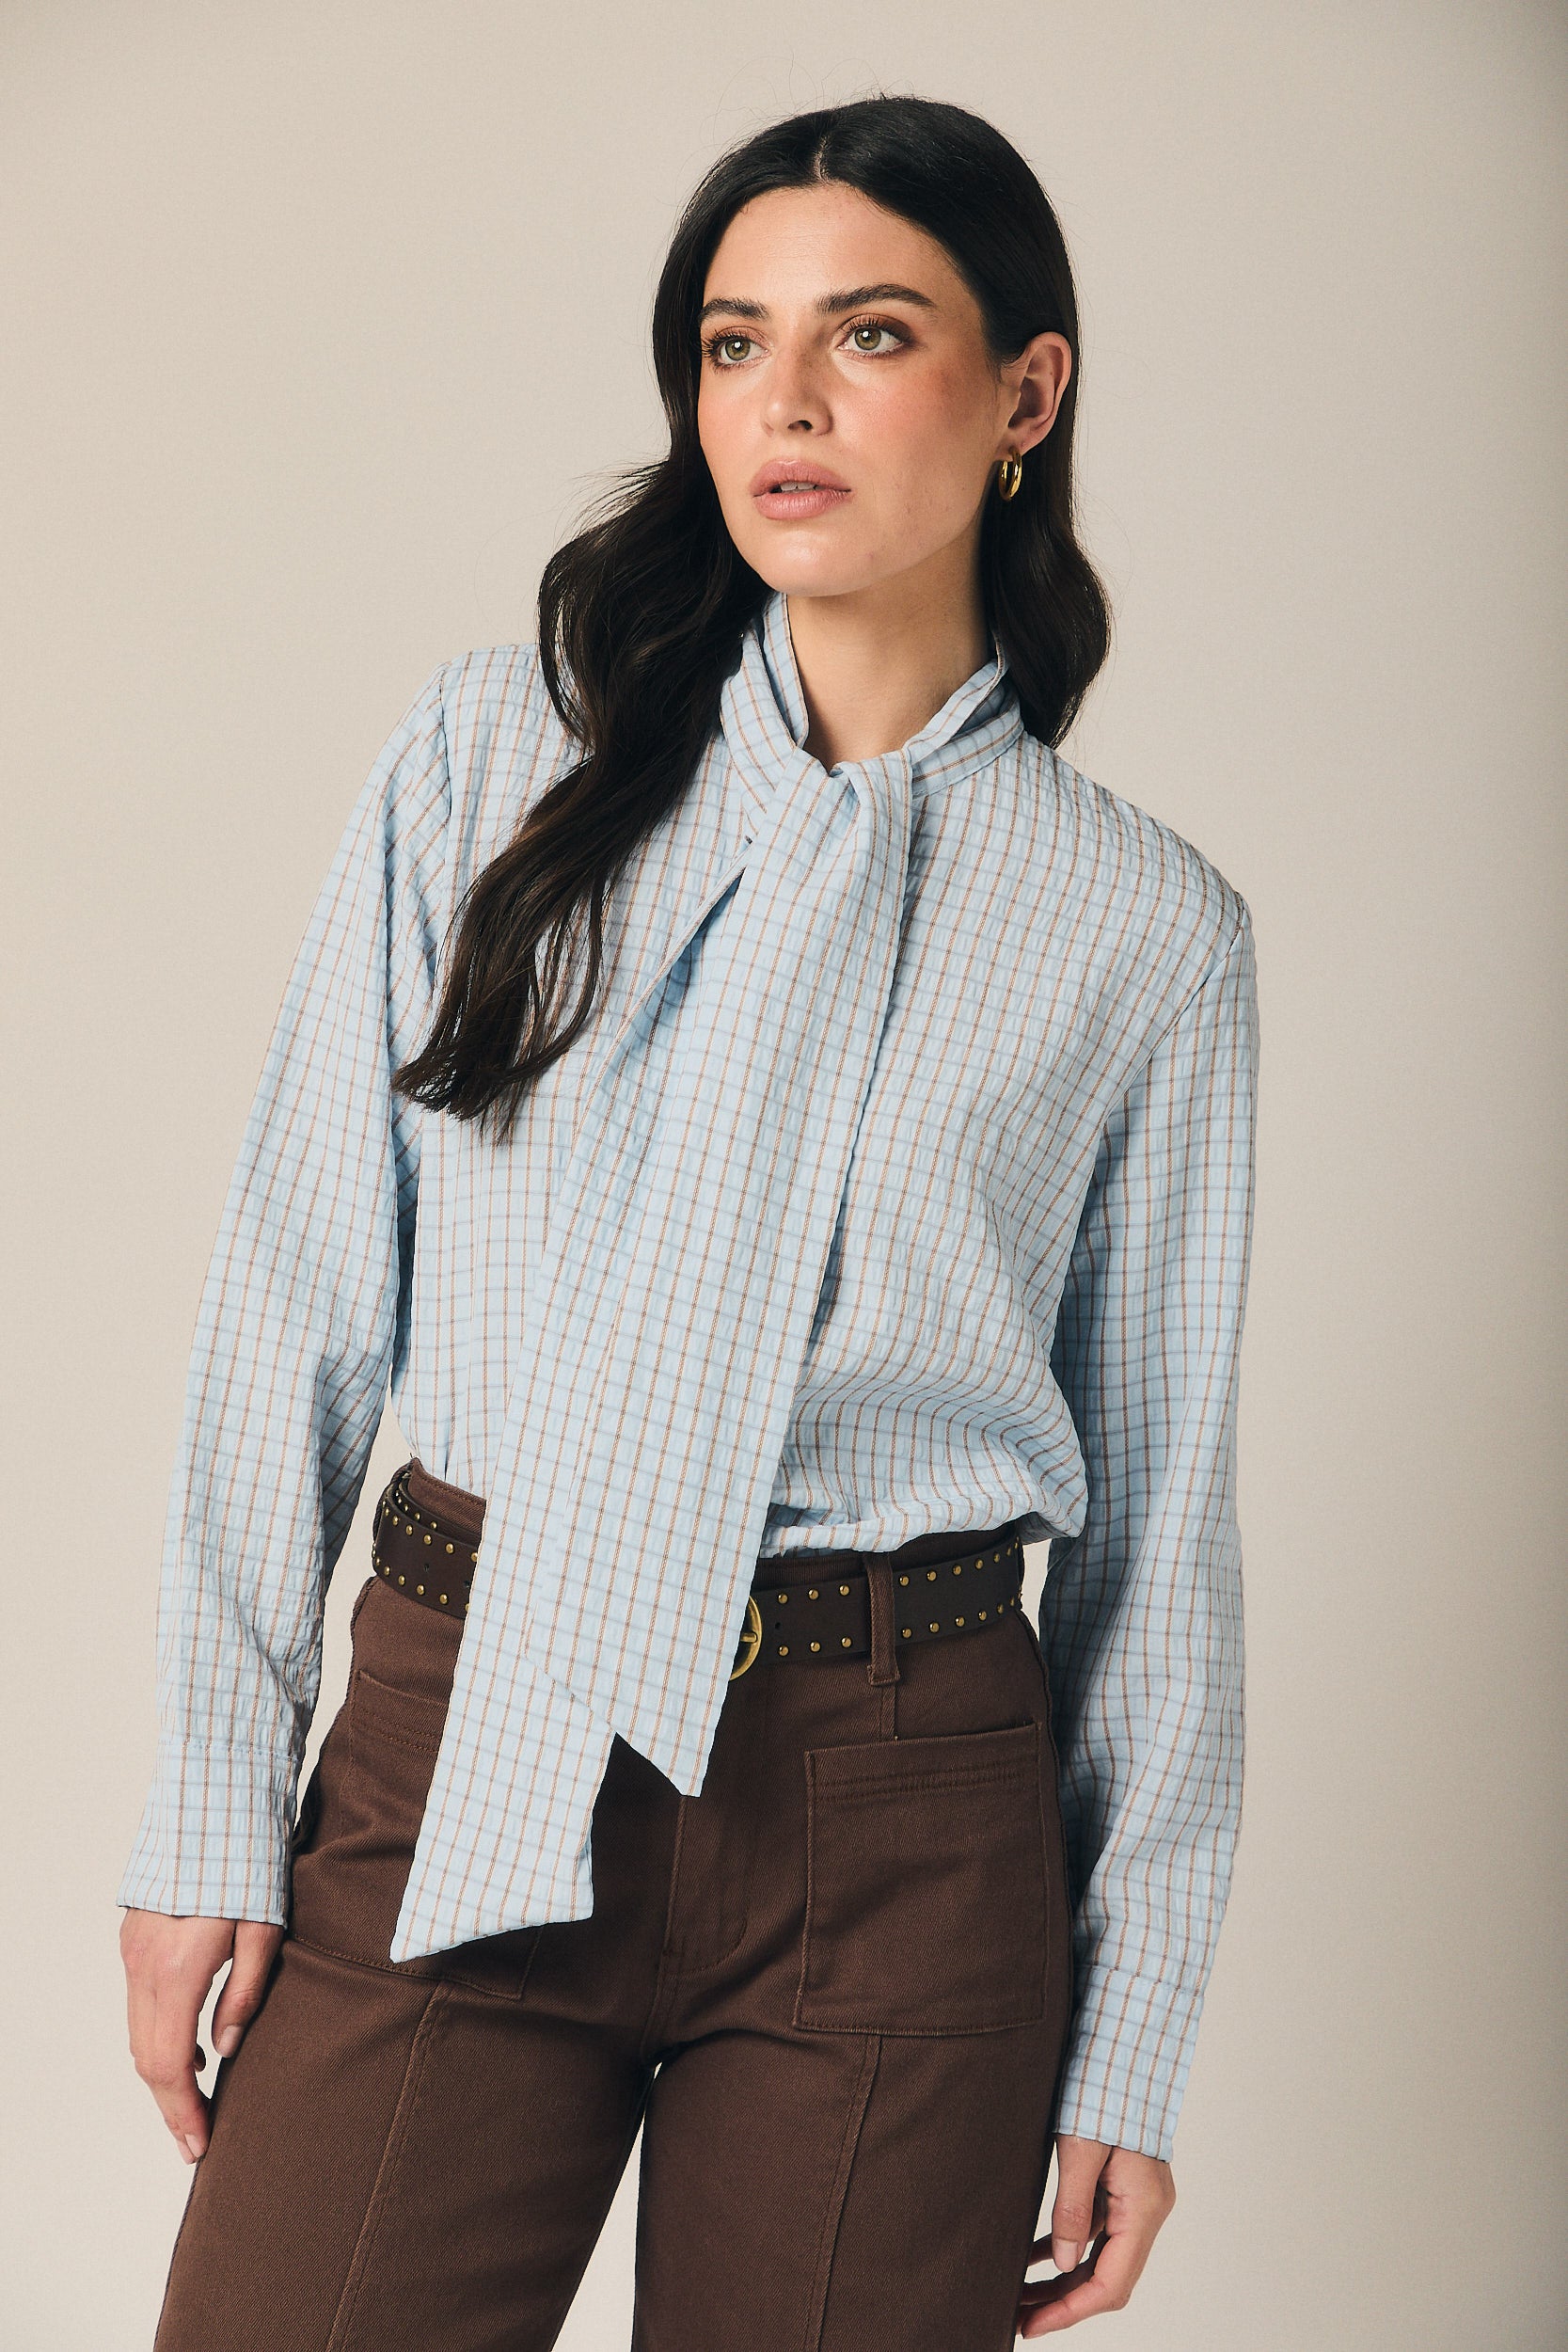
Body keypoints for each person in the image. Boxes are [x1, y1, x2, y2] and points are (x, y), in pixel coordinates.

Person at [118, 94, 1258, 2351]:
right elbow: (292, 1305)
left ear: (1026, 394)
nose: (784, 400)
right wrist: (204, 1809)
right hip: (470, 1712)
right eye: (737, 343)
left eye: (870, 333)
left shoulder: (1143, 928)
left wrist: (1132, 2030)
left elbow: (1163, 1524)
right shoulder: (493, 761)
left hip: (905, 1808)